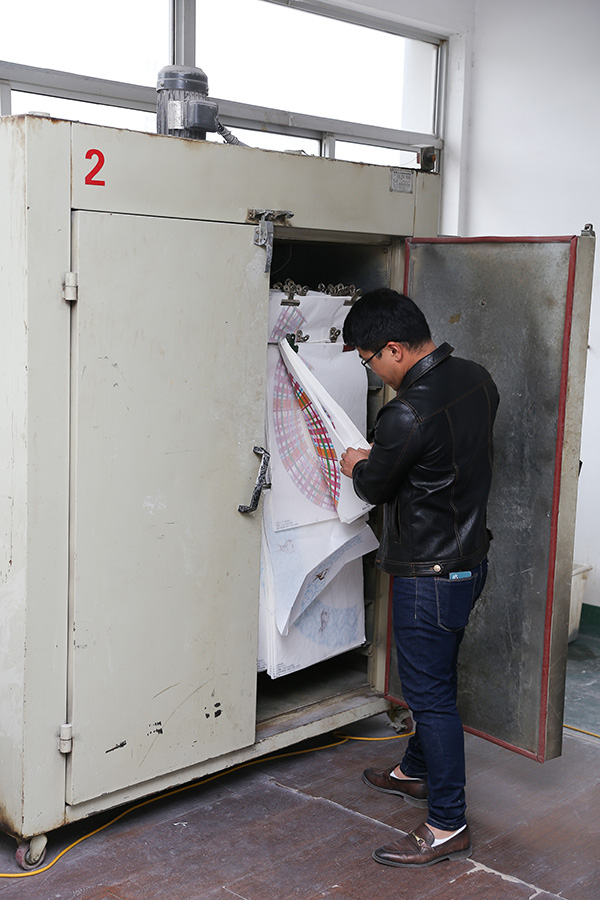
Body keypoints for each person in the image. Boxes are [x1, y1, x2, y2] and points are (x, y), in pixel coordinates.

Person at [339, 288, 499, 868]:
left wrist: (358, 462)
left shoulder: (406, 412)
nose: (373, 372)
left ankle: (447, 824)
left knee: (431, 698)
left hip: (428, 576)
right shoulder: (477, 378)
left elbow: (374, 487)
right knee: (437, 680)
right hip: (468, 561)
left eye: (369, 361)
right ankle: (415, 770)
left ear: (394, 349)